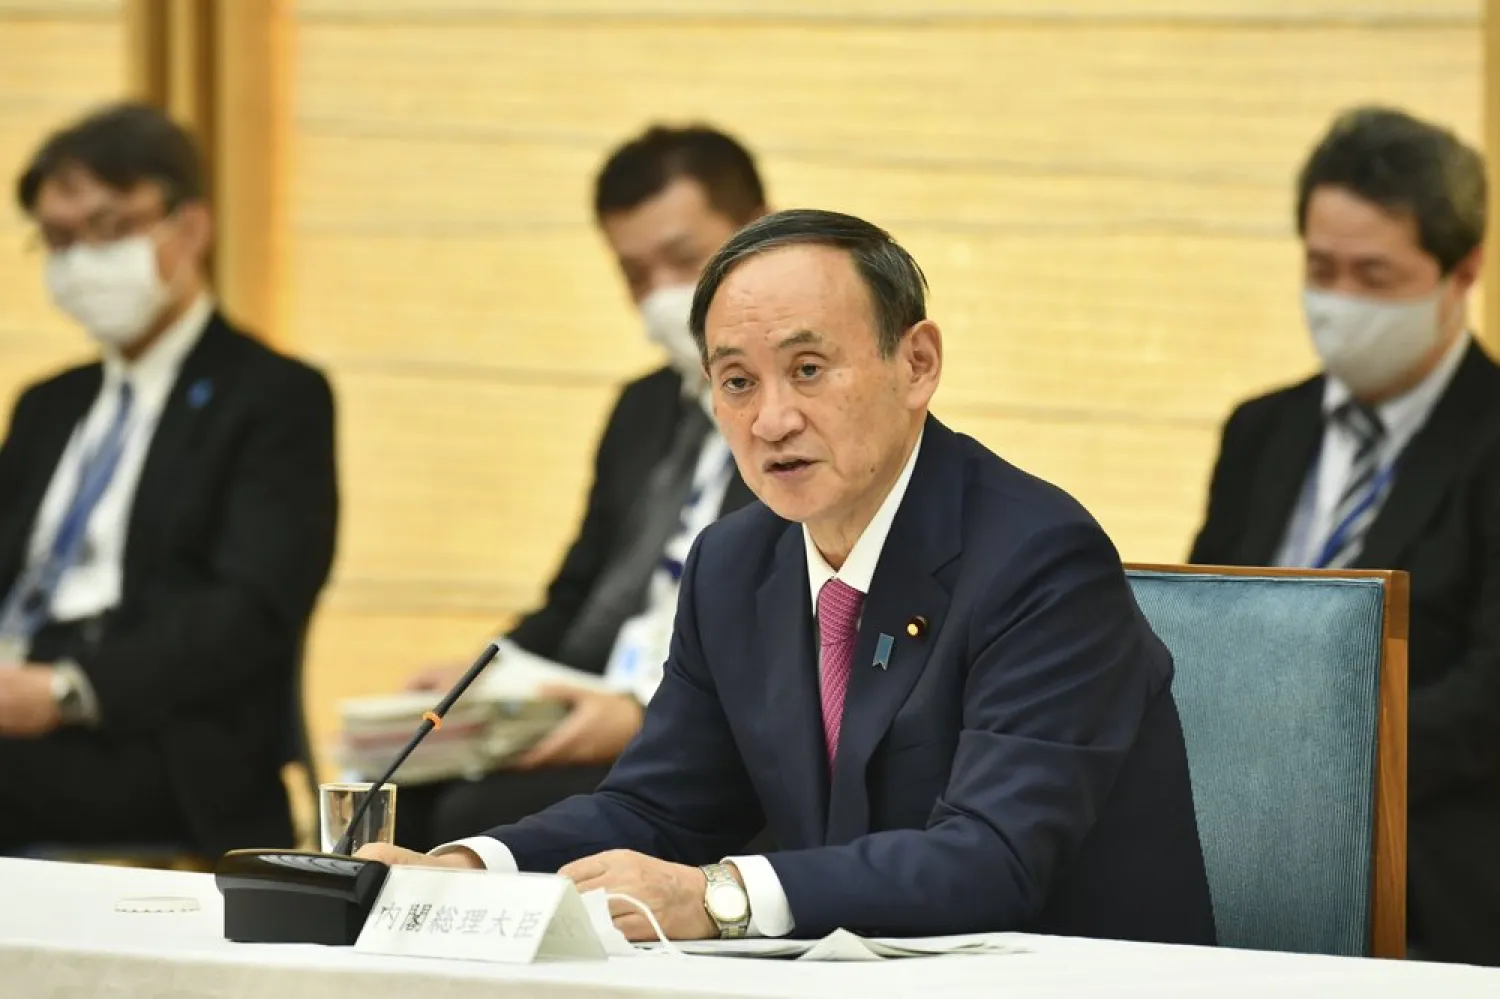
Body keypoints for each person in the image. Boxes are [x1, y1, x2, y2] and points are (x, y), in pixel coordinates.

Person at [363, 208, 1216, 946]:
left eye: (809, 370)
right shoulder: (734, 564)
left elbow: (989, 859)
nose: (772, 419)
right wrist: (468, 867)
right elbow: (659, 808)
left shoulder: (1039, 558)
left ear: (916, 363)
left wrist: (716, 896)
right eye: (738, 383)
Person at [391, 125, 767, 851]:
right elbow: (576, 597)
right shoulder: (642, 410)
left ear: (757, 234)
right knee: (402, 786)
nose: (662, 295)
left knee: (479, 821)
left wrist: (640, 709)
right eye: (634, 273)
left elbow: (800, 624)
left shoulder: (798, 415)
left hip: (704, 731)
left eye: (683, 260)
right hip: (589, 700)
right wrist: (482, 675)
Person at [1189, 106, 1500, 966]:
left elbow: (1486, 702)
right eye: (1322, 269)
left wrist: (1309, 762)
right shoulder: (1262, 430)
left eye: (1376, 275)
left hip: (1431, 872)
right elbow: (1204, 623)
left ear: (1461, 271)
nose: (1342, 303)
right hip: (1239, 855)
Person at [0, 102, 338, 854]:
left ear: (188, 227)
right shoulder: (48, 406)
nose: (81, 260)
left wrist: (63, 690)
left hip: (153, 735)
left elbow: (249, 612)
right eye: (57, 239)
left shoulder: (273, 397)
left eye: (109, 228)